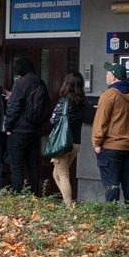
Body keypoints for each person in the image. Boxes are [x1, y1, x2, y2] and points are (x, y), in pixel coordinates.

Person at [92, 62, 129, 203]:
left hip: (111, 146)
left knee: (111, 184)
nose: (106, 75)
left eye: (108, 73)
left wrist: (96, 143)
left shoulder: (109, 95)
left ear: (114, 77)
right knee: (128, 179)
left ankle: (112, 214)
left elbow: (101, 121)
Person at [3, 56, 49, 195]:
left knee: (17, 167)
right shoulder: (40, 82)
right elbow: (46, 106)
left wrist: (8, 126)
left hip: (18, 132)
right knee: (33, 166)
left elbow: (13, 107)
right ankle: (34, 196)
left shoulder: (19, 83)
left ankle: (18, 197)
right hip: (34, 131)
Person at [49, 72, 87, 208]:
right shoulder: (82, 102)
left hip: (62, 143)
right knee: (56, 174)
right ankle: (68, 203)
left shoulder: (64, 101)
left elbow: (53, 120)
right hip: (76, 143)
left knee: (63, 175)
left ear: (67, 84)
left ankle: (69, 206)